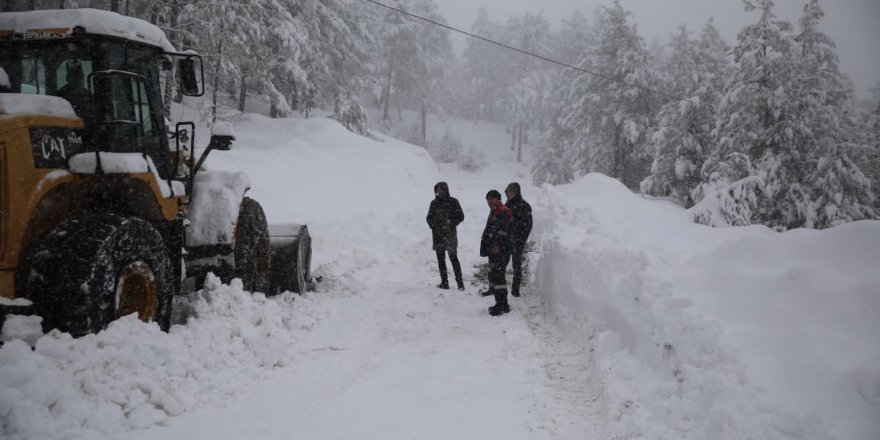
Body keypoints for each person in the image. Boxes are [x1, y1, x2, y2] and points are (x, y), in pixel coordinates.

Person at [480, 190, 513, 316]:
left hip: (501, 250)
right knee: (496, 276)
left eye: (492, 198)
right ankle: (503, 304)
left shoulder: (503, 211)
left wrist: (497, 245)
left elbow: (503, 230)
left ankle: (500, 304)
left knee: (498, 276)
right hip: (494, 249)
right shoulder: (494, 211)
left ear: (498, 199)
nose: (490, 201)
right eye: (488, 199)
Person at [426, 181, 465, 290]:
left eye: (441, 189)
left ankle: (460, 284)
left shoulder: (453, 202)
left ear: (446, 190)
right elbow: (429, 218)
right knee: (441, 260)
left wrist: (450, 223)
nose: (439, 192)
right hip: (438, 236)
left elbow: (461, 216)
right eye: (437, 190)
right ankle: (444, 283)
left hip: (450, 235)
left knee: (454, 259)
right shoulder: (433, 203)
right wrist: (434, 226)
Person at [504, 182, 532, 297]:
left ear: (517, 192)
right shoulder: (507, 205)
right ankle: (497, 287)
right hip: (506, 240)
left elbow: (528, 225)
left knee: (516, 265)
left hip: (518, 241)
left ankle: (515, 290)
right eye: (509, 191)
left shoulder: (524, 206)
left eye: (512, 191)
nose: (510, 194)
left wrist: (520, 239)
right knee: (501, 264)